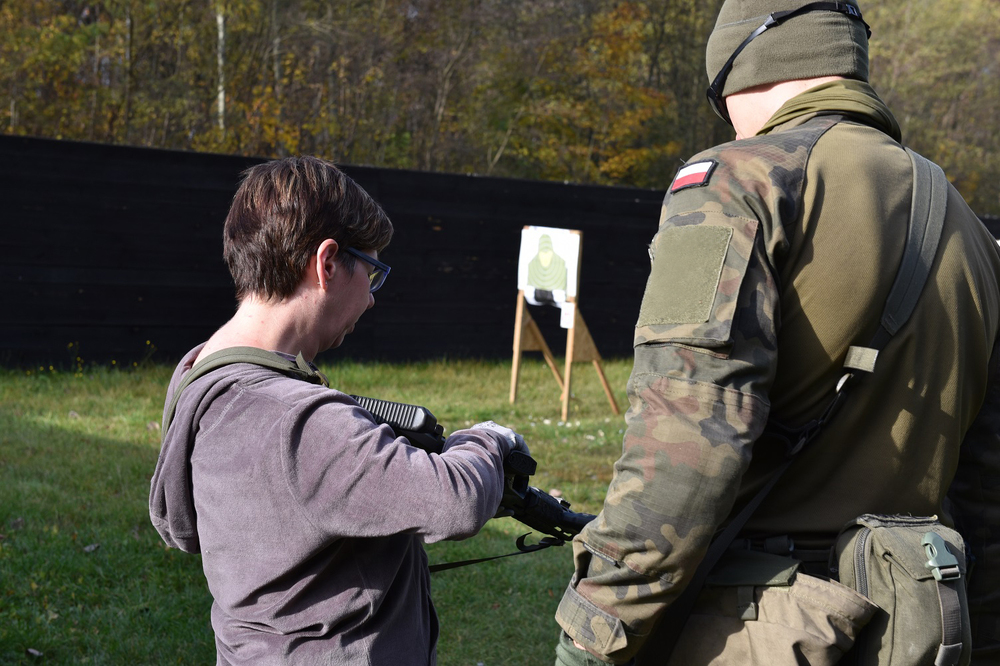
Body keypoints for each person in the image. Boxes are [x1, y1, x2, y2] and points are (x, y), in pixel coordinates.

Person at [553, 1, 1000, 664]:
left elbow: (687, 432)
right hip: (919, 633)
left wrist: (596, 626)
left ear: (743, 67)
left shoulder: (738, 180)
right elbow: (987, 488)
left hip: (756, 629)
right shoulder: (969, 227)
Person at [148, 156, 526, 665]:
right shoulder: (297, 423)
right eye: (372, 271)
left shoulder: (198, 375)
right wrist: (487, 438)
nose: (370, 298)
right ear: (327, 263)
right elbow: (456, 501)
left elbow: (190, 525)